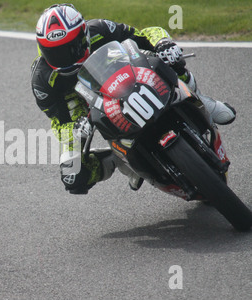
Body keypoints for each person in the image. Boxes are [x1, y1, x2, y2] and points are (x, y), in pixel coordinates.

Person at [30, 3, 236, 194]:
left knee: (170, 59)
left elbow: (145, 34)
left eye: (70, 48)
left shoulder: (100, 29)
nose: (64, 58)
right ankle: (117, 161)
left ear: (83, 35)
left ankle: (200, 100)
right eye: (54, 52)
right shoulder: (42, 80)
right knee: (72, 174)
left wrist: (164, 44)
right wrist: (74, 130)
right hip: (86, 108)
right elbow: (59, 122)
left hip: (126, 76)